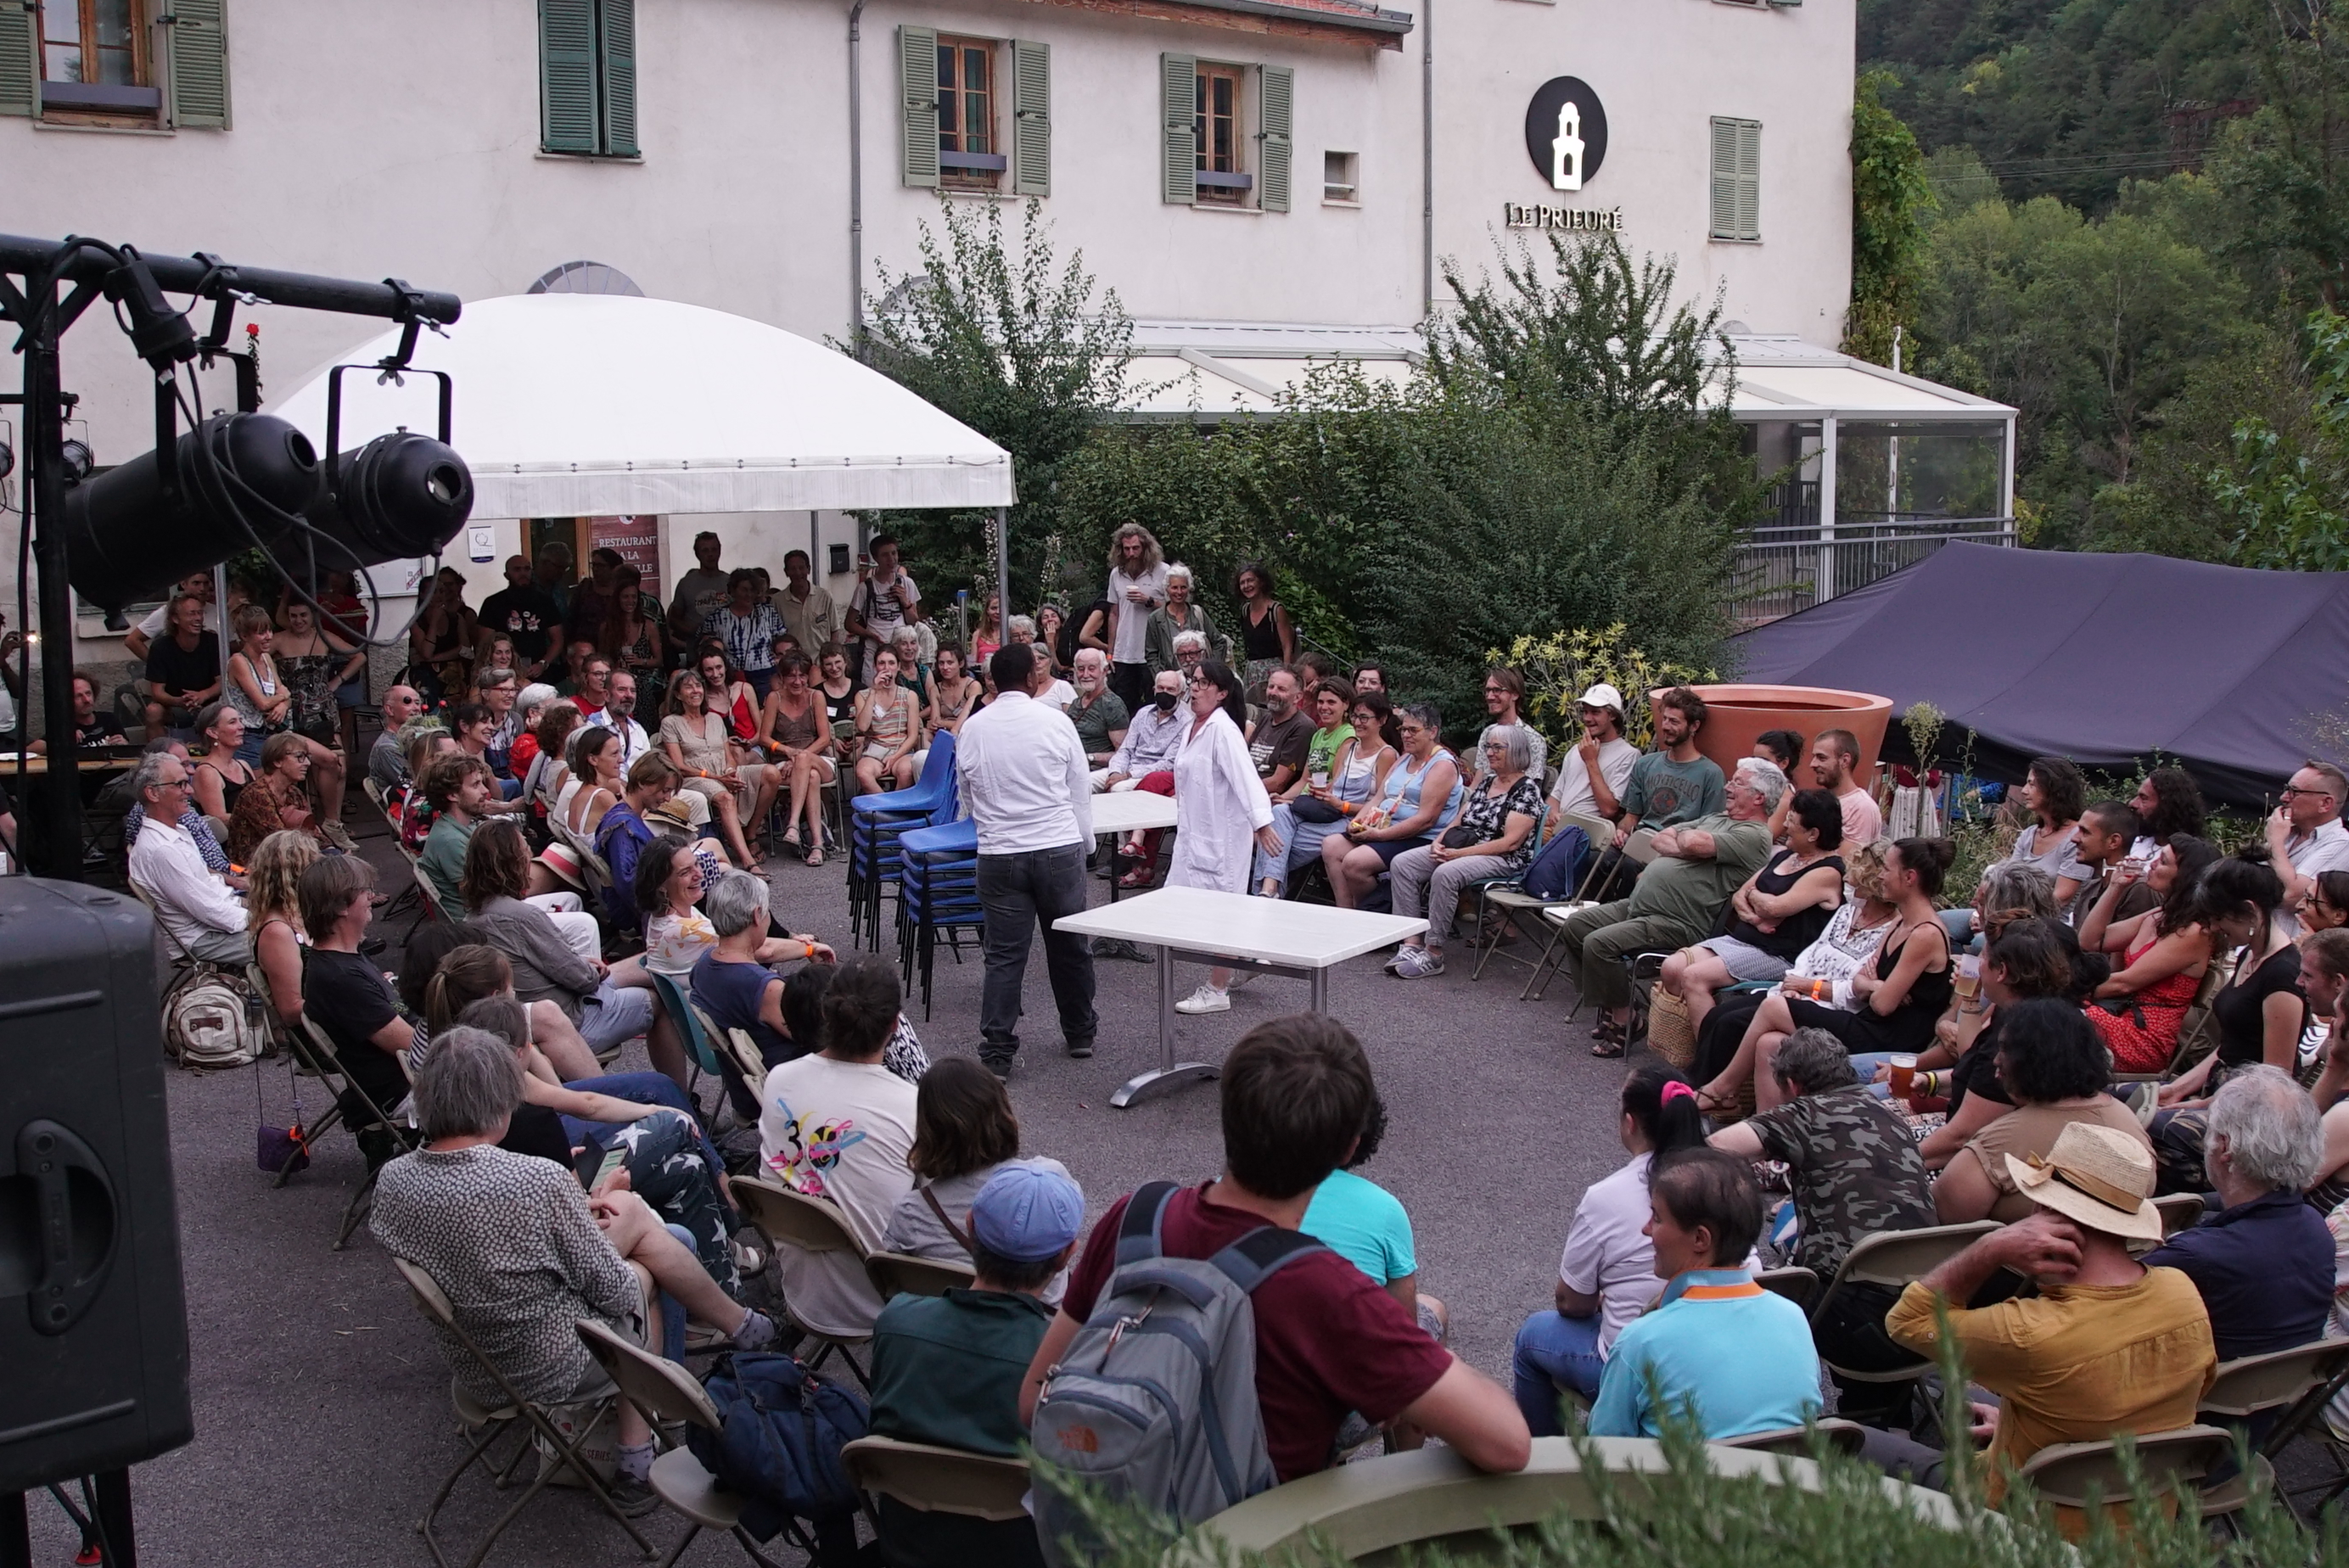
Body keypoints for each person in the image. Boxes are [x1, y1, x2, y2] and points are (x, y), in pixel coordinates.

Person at [1023, 1014, 1530, 1484]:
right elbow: (1508, 1444)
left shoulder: (1136, 1217)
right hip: (1249, 1531)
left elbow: (1034, 1399)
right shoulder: (1329, 1290)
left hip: (1106, 1518)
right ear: (1350, 1148)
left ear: (1227, 1114)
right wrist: (1437, 1361)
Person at [369, 1025, 777, 1519]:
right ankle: (640, 1454)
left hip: (477, 1362)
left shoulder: (393, 1180)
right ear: (500, 1100)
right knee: (646, 1248)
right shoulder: (534, 1180)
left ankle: (737, 1328)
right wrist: (607, 1207)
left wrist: (579, 1211)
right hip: (556, 1364)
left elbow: (481, 1243)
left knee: (639, 1227)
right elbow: (614, 1292)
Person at [1886, 1122, 2217, 1538]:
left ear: (2050, 1216)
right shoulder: (2182, 1293)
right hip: (2140, 1535)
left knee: (1847, 1444)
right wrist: (2026, 1427)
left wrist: (1991, 1247)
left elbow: (1907, 1320)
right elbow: (2175, 1400)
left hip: (2015, 1526)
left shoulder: (2030, 1333)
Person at [869, 1162, 1082, 1568]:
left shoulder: (897, 1322)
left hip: (908, 1549)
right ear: (1064, 1257)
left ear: (970, 1227)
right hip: (1026, 1554)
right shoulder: (1067, 1366)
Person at [1708, 1028, 1936, 1405]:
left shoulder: (1803, 1113)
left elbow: (1715, 1149)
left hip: (1857, 1326)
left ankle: (1753, 1413)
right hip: (1930, 1319)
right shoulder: (1891, 1117)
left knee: (1744, 1297)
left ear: (1792, 1085)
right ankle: (1884, 1416)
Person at [1512, 1066, 1708, 1427]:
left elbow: (1571, 1302)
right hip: (1717, 1352)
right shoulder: (1726, 1182)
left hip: (1641, 1367)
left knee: (1533, 1337)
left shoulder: (1607, 1197)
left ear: (1630, 1123)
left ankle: (1546, 1455)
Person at [1695, 833, 1952, 1103]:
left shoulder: (1925, 934)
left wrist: (1873, 988)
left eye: (1887, 870)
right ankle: (1772, 1125)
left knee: (1773, 1007)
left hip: (1887, 1037)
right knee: (1769, 1043)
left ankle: (1721, 1090)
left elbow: (1882, 1006)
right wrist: (1876, 986)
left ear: (1909, 878)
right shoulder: (1901, 923)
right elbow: (1860, 981)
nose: (1881, 876)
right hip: (1867, 1021)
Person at [1586, 1149, 1821, 1441]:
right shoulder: (1794, 1319)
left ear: (1700, 1239)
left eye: (1657, 1217)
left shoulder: (1642, 1341)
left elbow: (1604, 1450)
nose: (1646, 1229)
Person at [1561, 759, 1783, 1060]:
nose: (1727, 787)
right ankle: (1619, 1008)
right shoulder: (1717, 818)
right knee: (1576, 926)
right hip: (1640, 906)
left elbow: (1694, 842)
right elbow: (1661, 838)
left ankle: (1625, 1022)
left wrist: (1687, 844)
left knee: (1599, 944)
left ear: (1759, 797)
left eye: (1737, 783)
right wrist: (1687, 847)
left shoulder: (1755, 835)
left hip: (1678, 920)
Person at [759, 957, 921, 1339]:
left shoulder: (779, 1080)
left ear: (826, 1015)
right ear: (894, 1026)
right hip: (886, 1304)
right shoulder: (912, 1105)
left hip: (804, 1293)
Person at [956, 644, 1096, 1078]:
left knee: (1003, 955)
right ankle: (1080, 1032)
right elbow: (1079, 788)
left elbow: (967, 793)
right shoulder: (1055, 721)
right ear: (1034, 679)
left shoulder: (973, 728)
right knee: (1069, 945)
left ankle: (997, 1050)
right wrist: (1087, 843)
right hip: (1056, 845)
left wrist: (991, 827)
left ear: (993, 681)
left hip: (1000, 853)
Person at [2140, 1065, 2330, 1361]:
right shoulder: (2316, 1228)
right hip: (2287, 1388)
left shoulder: (2196, 1256)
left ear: (2224, 1145)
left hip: (2201, 1387)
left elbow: (2099, 1311)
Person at [463, 819, 678, 1073]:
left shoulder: (472, 918)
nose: (530, 854)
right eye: (525, 849)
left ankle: (678, 966)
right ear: (513, 862)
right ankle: (679, 1090)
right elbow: (583, 981)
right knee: (660, 1000)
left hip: (537, 1011)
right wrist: (587, 968)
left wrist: (585, 966)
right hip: (570, 1020)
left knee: (649, 963)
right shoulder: (522, 917)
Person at [1912, 918, 2109, 1168]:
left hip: (1987, 1162)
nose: (1977, 965)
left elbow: (1961, 1137)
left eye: (1983, 957)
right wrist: (1930, 1081)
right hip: (1973, 1143)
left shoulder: (2019, 1039)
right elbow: (1975, 1064)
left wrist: (1895, 1162)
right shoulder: (2026, 1012)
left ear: (2002, 971)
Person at [1934, 999, 2152, 1223]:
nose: (1996, 1060)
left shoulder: (1999, 1142)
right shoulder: (2129, 1122)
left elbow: (1944, 1226)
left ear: (2032, 1060)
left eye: (2005, 1049)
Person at [883, 1058, 1075, 1297]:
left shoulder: (911, 1213)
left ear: (927, 1128)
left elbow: (892, 1285)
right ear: (1001, 1111)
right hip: (1044, 1321)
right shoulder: (1051, 1179)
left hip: (950, 1320)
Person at [1657, 788, 1845, 1027]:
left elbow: (1773, 908)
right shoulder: (1785, 856)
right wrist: (1756, 919)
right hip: (1744, 941)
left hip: (1779, 956)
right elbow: (1739, 896)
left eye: (1792, 821)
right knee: (1672, 967)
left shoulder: (1827, 872)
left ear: (1813, 834)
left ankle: (1708, 1047)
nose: (1784, 826)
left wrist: (1754, 896)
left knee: (1694, 976)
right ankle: (1680, 1043)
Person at [1384, 725, 1545, 979]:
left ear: (1516, 751)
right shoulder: (1488, 782)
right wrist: (1439, 842)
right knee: (1403, 864)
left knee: (1446, 873)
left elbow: (1510, 843)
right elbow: (1460, 819)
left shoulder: (1527, 790)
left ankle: (1433, 953)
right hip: (1464, 848)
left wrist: (1458, 855)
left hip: (1503, 858)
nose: (1489, 753)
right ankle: (1411, 943)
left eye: (1497, 748)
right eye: (1488, 747)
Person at [298, 854, 425, 1166]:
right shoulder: (340, 978)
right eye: (364, 890)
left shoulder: (345, 958)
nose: (372, 896)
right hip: (406, 1088)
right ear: (341, 907)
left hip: (407, 1076)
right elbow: (415, 1046)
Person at [1169, 663, 1281, 1015]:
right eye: (1194, 681)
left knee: (1222, 914)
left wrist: (1262, 823)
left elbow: (1246, 778)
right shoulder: (1192, 726)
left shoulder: (1223, 730)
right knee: (1181, 906)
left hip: (1222, 836)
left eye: (1204, 683)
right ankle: (1247, 954)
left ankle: (1218, 989)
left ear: (1221, 693)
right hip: (1194, 833)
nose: (1195, 688)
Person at [691, 870, 837, 1117]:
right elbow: (819, 1039)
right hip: (788, 1091)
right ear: (757, 915)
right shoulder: (766, 989)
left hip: (744, 1087)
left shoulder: (705, 964)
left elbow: (765, 949)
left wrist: (809, 949)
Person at [2079, 833, 2220, 1075]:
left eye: (2162, 861)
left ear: (2185, 877)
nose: (2152, 863)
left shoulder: (2196, 933)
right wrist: (2116, 887)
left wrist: (2063, 990)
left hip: (2143, 1038)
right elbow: (2090, 940)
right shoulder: (2159, 916)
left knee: (2050, 1014)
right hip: (2116, 1016)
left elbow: (2124, 984)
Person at [1252, 690, 1396, 900]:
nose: (1358, 722)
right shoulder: (1349, 748)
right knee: (1280, 810)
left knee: (1278, 842)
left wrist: (1342, 805)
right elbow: (1335, 785)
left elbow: (1379, 805)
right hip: (1328, 813)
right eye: (1355, 716)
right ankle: (1270, 888)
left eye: (1364, 718)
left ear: (1381, 720)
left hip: (1352, 819)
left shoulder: (1386, 755)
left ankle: (1267, 890)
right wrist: (1318, 792)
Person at [1324, 703, 1463, 910]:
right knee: (1331, 845)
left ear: (1432, 732)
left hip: (1419, 837)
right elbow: (1378, 798)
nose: (1405, 735)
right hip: (1384, 825)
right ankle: (1345, 910)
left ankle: (1370, 912)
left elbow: (1426, 820)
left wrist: (1379, 836)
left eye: (1413, 730)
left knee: (1355, 863)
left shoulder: (1442, 765)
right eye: (1403, 729)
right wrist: (1357, 822)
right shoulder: (1405, 758)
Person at [126, 751, 250, 965]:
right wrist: (262, 919)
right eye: (181, 784)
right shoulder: (162, 850)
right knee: (292, 944)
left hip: (217, 924)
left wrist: (252, 904)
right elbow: (209, 910)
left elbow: (208, 888)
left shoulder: (178, 832)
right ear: (153, 793)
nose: (191, 791)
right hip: (204, 938)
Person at [661, 670, 771, 868]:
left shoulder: (714, 718)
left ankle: (750, 831)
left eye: (698, 686)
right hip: (695, 777)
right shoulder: (671, 723)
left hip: (723, 772)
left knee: (771, 774)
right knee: (725, 798)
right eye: (688, 687)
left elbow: (728, 755)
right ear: (678, 694)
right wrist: (716, 778)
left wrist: (730, 771)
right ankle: (747, 860)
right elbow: (679, 766)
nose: (695, 691)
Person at [754, 652, 838, 863]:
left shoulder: (816, 697)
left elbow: (825, 738)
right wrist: (787, 751)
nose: (797, 681)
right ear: (782, 678)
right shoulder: (774, 698)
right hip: (785, 761)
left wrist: (800, 757)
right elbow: (764, 738)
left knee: (805, 762)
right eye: (792, 676)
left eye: (802, 676)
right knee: (811, 778)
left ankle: (793, 824)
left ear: (808, 677)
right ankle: (817, 845)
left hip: (818, 758)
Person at [1613, 687, 1724, 843]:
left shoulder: (1711, 774)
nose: (1665, 726)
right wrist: (1621, 833)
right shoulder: (1644, 764)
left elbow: (1709, 829)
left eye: (1674, 722)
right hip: (1640, 840)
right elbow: (1631, 817)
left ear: (1694, 726)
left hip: (1677, 848)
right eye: (1664, 719)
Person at [1979, 756, 2090, 907]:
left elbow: (2062, 897)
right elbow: (2009, 880)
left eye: (2032, 784)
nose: (2024, 791)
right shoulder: (2028, 835)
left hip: (2052, 918)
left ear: (2052, 788)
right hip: (2017, 913)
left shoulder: (2076, 838)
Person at [595, 755, 680, 933]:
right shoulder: (622, 828)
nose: (668, 798)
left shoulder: (626, 816)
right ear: (642, 783)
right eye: (664, 791)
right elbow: (628, 884)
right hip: (644, 909)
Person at [244, 828, 318, 1028]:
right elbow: (291, 1011)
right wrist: (351, 1002)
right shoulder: (277, 933)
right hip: (322, 1030)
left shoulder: (301, 915)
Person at [1541, 683, 1639, 832]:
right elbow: (1555, 797)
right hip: (1558, 827)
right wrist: (1553, 813)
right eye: (1585, 712)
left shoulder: (1628, 755)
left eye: (1595, 712)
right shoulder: (1576, 750)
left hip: (1589, 833)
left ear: (1612, 715)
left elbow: (1609, 810)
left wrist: (1590, 761)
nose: (1587, 718)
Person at [2271, 761, 2349, 932]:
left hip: (2294, 944)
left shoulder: (2343, 844)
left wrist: (2275, 843)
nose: (2284, 797)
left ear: (2325, 803)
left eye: (2295, 792)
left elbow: (2292, 897)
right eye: (2286, 789)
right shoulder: (2287, 834)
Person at [227, 731, 327, 862]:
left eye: (307, 757)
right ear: (277, 761)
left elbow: (311, 830)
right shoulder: (256, 794)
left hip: (293, 856)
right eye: (300, 757)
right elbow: (281, 841)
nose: (307, 763)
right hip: (257, 864)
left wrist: (330, 848)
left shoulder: (294, 792)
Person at [2063, 799, 2157, 929]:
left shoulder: (2138, 890)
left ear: (2113, 841)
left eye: (2085, 832)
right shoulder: (2091, 888)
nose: (2074, 838)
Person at [844, 534, 922, 685]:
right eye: (885, 555)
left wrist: (905, 602)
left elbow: (913, 621)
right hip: (874, 652)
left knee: (901, 690)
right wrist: (870, 635)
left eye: (894, 553)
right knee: (872, 689)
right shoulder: (865, 588)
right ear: (876, 558)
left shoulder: (907, 583)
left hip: (901, 652)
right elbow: (849, 623)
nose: (891, 559)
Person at [142, 591, 223, 736]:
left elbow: (222, 682)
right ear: (175, 619)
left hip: (210, 702)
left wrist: (203, 695)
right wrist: (180, 701)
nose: (198, 618)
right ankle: (160, 749)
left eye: (200, 613)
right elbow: (157, 692)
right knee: (153, 711)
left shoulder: (213, 641)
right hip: (174, 704)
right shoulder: (161, 647)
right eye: (191, 614)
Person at [476, 555, 566, 686]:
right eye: (517, 569)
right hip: (503, 674)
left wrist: (543, 663)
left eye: (527, 569)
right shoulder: (493, 603)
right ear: (507, 575)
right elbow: (486, 643)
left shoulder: (545, 602)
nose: (523, 573)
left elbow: (558, 640)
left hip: (538, 672)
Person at [702, 569, 785, 701]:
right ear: (733, 591)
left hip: (765, 676)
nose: (749, 594)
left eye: (752, 590)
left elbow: (782, 638)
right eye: (744, 590)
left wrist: (780, 658)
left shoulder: (768, 613)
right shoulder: (717, 617)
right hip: (732, 677)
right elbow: (704, 645)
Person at [850, 645, 923, 796]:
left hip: (901, 750)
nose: (886, 668)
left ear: (898, 666)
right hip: (875, 750)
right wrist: (874, 691)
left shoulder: (909, 696)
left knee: (906, 771)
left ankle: (892, 806)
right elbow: (863, 727)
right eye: (881, 663)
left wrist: (894, 757)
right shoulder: (862, 695)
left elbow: (913, 736)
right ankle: (888, 805)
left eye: (891, 663)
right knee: (863, 772)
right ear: (875, 667)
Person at [408, 567, 478, 706]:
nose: (439, 596)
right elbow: (426, 652)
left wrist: (434, 659)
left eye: (442, 591)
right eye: (433, 592)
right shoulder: (416, 623)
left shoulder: (457, 618)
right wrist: (434, 622)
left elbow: (465, 650)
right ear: (423, 595)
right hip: (427, 675)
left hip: (455, 674)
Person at [599, 567, 666, 708]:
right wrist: (615, 665)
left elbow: (659, 660)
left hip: (644, 684)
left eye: (634, 597)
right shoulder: (607, 627)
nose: (630, 601)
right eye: (625, 597)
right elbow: (602, 658)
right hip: (618, 683)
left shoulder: (648, 626)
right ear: (618, 599)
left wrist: (640, 661)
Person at [1806, 727, 1883, 848]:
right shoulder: (1820, 800)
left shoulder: (1861, 808)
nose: (1813, 764)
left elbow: (1848, 858)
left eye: (1822, 758)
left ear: (1845, 761)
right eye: (1814, 757)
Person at [1144, 563, 1225, 676]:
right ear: (1167, 589)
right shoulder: (1155, 618)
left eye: (1183, 587)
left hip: (1200, 679)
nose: (1179, 592)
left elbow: (1219, 642)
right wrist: (1161, 677)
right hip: (1171, 680)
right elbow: (1151, 654)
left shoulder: (1198, 613)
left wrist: (1211, 670)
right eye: (1174, 587)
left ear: (1189, 589)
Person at [1474, 668, 1549, 789]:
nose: (1490, 696)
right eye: (1487, 690)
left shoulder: (1533, 740)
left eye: (1497, 690)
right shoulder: (1488, 733)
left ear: (1515, 694)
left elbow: (1529, 791)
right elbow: (1477, 782)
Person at [1246, 667, 1313, 798]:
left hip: (1267, 799)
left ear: (1297, 697)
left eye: (1281, 689)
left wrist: (1239, 788)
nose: (1273, 693)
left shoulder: (1302, 727)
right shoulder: (1266, 719)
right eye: (1271, 687)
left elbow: (1278, 783)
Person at [124, 570, 218, 664]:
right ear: (183, 584)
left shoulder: (217, 611)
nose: (202, 588)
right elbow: (132, 640)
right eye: (196, 583)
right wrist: (158, 665)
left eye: (206, 583)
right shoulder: (168, 611)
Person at [1232, 561, 1296, 695]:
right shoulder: (1245, 610)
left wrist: (1285, 676)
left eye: (1250, 580)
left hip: (1274, 672)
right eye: (1242, 583)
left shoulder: (1276, 610)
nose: (1246, 586)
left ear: (1261, 582)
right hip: (1251, 672)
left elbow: (1287, 647)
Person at [27, 669, 127, 753]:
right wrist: (62, 740)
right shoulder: (64, 727)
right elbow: (30, 750)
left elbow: (129, 751)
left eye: (88, 694)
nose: (86, 700)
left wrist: (124, 745)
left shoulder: (109, 719)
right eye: (78, 696)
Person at [1064, 648, 1130, 773]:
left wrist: (1089, 758)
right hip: (1070, 767)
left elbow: (1122, 753)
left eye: (1092, 669)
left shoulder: (1112, 704)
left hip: (1096, 770)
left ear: (1104, 671)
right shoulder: (1076, 703)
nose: (1086, 675)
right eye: (1081, 669)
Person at [666, 531, 731, 646]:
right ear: (697, 554)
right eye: (705, 550)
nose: (710, 554)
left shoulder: (731, 582)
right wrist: (693, 631)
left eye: (714, 549)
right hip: (696, 650)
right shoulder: (686, 584)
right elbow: (674, 620)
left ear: (720, 551)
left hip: (728, 648)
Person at [367, 684, 426, 792]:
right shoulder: (387, 748)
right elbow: (413, 785)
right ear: (389, 709)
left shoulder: (415, 738)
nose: (416, 708)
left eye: (417, 703)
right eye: (407, 702)